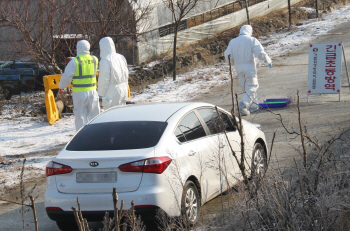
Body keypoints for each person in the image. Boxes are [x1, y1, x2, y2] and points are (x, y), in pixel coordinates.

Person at [224, 25, 272, 116]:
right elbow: (260, 52)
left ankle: (253, 107)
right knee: (252, 87)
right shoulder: (251, 40)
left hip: (238, 68)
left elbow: (227, 54)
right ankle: (242, 106)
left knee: (246, 88)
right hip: (249, 67)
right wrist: (268, 61)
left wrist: (232, 63)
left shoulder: (233, 42)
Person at [59, 40, 100, 131]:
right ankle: (96, 135)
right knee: (94, 115)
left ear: (77, 48)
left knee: (80, 117)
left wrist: (61, 86)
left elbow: (66, 77)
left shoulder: (74, 62)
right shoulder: (94, 59)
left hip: (80, 93)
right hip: (93, 92)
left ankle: (82, 138)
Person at [98, 37, 129, 110]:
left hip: (112, 92)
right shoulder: (121, 57)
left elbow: (104, 79)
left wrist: (101, 93)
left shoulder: (105, 60)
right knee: (122, 112)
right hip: (123, 89)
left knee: (111, 114)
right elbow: (126, 74)